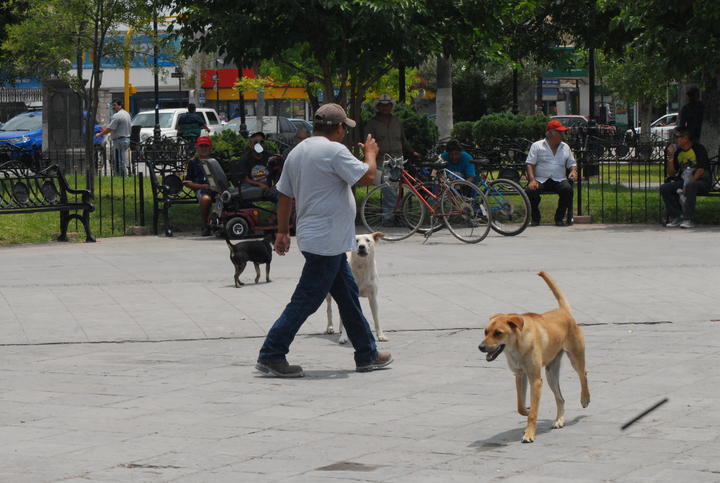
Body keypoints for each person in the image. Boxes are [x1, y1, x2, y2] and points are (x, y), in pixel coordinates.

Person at [256, 103, 392, 378]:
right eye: (345, 127)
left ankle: (367, 353)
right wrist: (370, 154)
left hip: (318, 237)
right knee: (306, 299)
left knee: (348, 295)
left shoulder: (298, 151)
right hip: (327, 240)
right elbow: (367, 176)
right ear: (339, 128)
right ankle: (272, 353)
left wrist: (282, 231)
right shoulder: (334, 151)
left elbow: (284, 195)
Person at [363, 94, 419, 223]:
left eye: (387, 105)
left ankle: (398, 215)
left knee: (398, 189)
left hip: (398, 158)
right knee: (389, 189)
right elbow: (368, 142)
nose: (385, 108)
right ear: (378, 107)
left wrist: (412, 151)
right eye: (382, 105)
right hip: (383, 159)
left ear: (391, 106)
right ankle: (388, 218)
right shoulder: (372, 123)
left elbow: (403, 140)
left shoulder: (396, 121)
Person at [525, 119, 578, 227]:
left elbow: (572, 163)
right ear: (551, 134)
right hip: (541, 179)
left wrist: (573, 171)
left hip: (559, 179)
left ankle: (559, 218)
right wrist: (532, 180)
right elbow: (530, 164)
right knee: (530, 191)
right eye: (560, 132)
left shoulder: (565, 147)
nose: (562, 134)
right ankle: (535, 218)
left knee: (567, 190)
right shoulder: (537, 146)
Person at [660, 128, 711, 229]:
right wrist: (670, 157)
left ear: (686, 138)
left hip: (701, 181)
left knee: (692, 186)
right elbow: (671, 173)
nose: (675, 140)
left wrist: (687, 184)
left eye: (677, 137)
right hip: (684, 181)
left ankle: (688, 219)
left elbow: (701, 169)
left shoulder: (698, 149)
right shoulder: (679, 152)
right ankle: (677, 216)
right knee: (665, 188)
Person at [182, 136, 216, 236]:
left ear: (210, 148)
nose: (204, 148)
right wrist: (202, 186)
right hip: (202, 189)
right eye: (201, 146)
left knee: (228, 197)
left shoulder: (216, 160)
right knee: (205, 199)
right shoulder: (192, 162)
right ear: (197, 147)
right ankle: (205, 225)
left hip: (217, 189)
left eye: (206, 146)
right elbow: (187, 182)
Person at [237, 131, 278, 202]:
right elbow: (244, 179)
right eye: (256, 143)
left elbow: (277, 173)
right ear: (250, 145)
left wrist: (275, 185)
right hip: (251, 187)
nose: (259, 145)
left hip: (268, 189)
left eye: (261, 142)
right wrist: (260, 184)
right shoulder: (244, 159)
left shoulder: (270, 157)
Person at [96, 99, 131, 177]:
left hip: (119, 140)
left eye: (115, 105)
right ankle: (121, 175)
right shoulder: (126, 114)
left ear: (120, 105)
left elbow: (110, 128)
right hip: (126, 139)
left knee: (119, 160)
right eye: (113, 105)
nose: (113, 107)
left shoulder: (117, 115)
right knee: (121, 159)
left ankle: (123, 176)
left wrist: (100, 134)